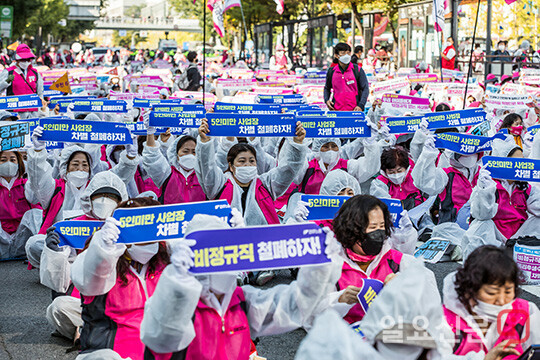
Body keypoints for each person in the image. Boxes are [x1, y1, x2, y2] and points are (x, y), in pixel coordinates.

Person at [139, 214, 343, 359]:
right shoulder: (172, 305)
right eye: (211, 253)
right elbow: (162, 339)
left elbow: (296, 307)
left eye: (225, 250)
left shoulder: (241, 302)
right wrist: (177, 283)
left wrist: (321, 268)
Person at [70, 197, 170, 360]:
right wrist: (103, 251)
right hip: (109, 353)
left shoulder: (166, 258)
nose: (147, 241)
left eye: (151, 234)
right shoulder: (103, 259)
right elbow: (87, 280)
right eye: (140, 233)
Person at [40, 171, 128, 343]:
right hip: (82, 300)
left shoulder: (128, 227)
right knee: (58, 308)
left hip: (121, 298)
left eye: (110, 196)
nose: (104, 201)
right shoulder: (73, 227)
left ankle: (87, 330)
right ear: (89, 197)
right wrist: (55, 253)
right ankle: (101, 329)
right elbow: (60, 282)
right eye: (100, 195)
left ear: (120, 201)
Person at [318, 195, 417, 324]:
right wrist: (339, 300)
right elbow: (311, 316)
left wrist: (404, 290)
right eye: (372, 227)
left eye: (381, 226)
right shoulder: (331, 266)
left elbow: (428, 306)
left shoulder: (399, 262)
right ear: (351, 229)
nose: (378, 232)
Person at [443, 245, 540, 357]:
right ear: (469, 290)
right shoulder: (445, 322)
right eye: (491, 293)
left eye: (508, 291)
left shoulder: (527, 313)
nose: (501, 300)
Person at [0, 150, 42, 260]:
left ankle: (41, 251)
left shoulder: (26, 184)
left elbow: (35, 199)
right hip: (2, 238)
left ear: (19, 163)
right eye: (3, 160)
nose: (8, 164)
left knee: (35, 213)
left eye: (12, 160)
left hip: (20, 238)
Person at [142, 134, 206, 204]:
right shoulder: (168, 174)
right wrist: (150, 133)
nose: (190, 155)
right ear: (176, 154)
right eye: (185, 151)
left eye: (194, 152)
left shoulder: (203, 176)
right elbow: (152, 156)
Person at [370, 146, 426, 210]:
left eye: (399, 171)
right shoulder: (379, 183)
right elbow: (382, 206)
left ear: (406, 168)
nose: (396, 175)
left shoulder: (415, 176)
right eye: (391, 172)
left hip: (417, 212)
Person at [0, 44, 43, 117]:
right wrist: (6, 82)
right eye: (23, 59)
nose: (26, 62)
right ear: (17, 59)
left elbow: (40, 93)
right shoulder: (8, 72)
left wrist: (40, 110)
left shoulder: (35, 73)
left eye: (28, 59)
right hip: (15, 114)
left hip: (33, 114)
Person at [324, 42, 369, 111]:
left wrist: (361, 105)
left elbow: (365, 88)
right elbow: (327, 88)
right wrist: (327, 100)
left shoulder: (357, 70)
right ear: (336, 55)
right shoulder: (332, 71)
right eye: (343, 53)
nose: (346, 55)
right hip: (336, 111)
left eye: (348, 53)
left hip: (355, 111)